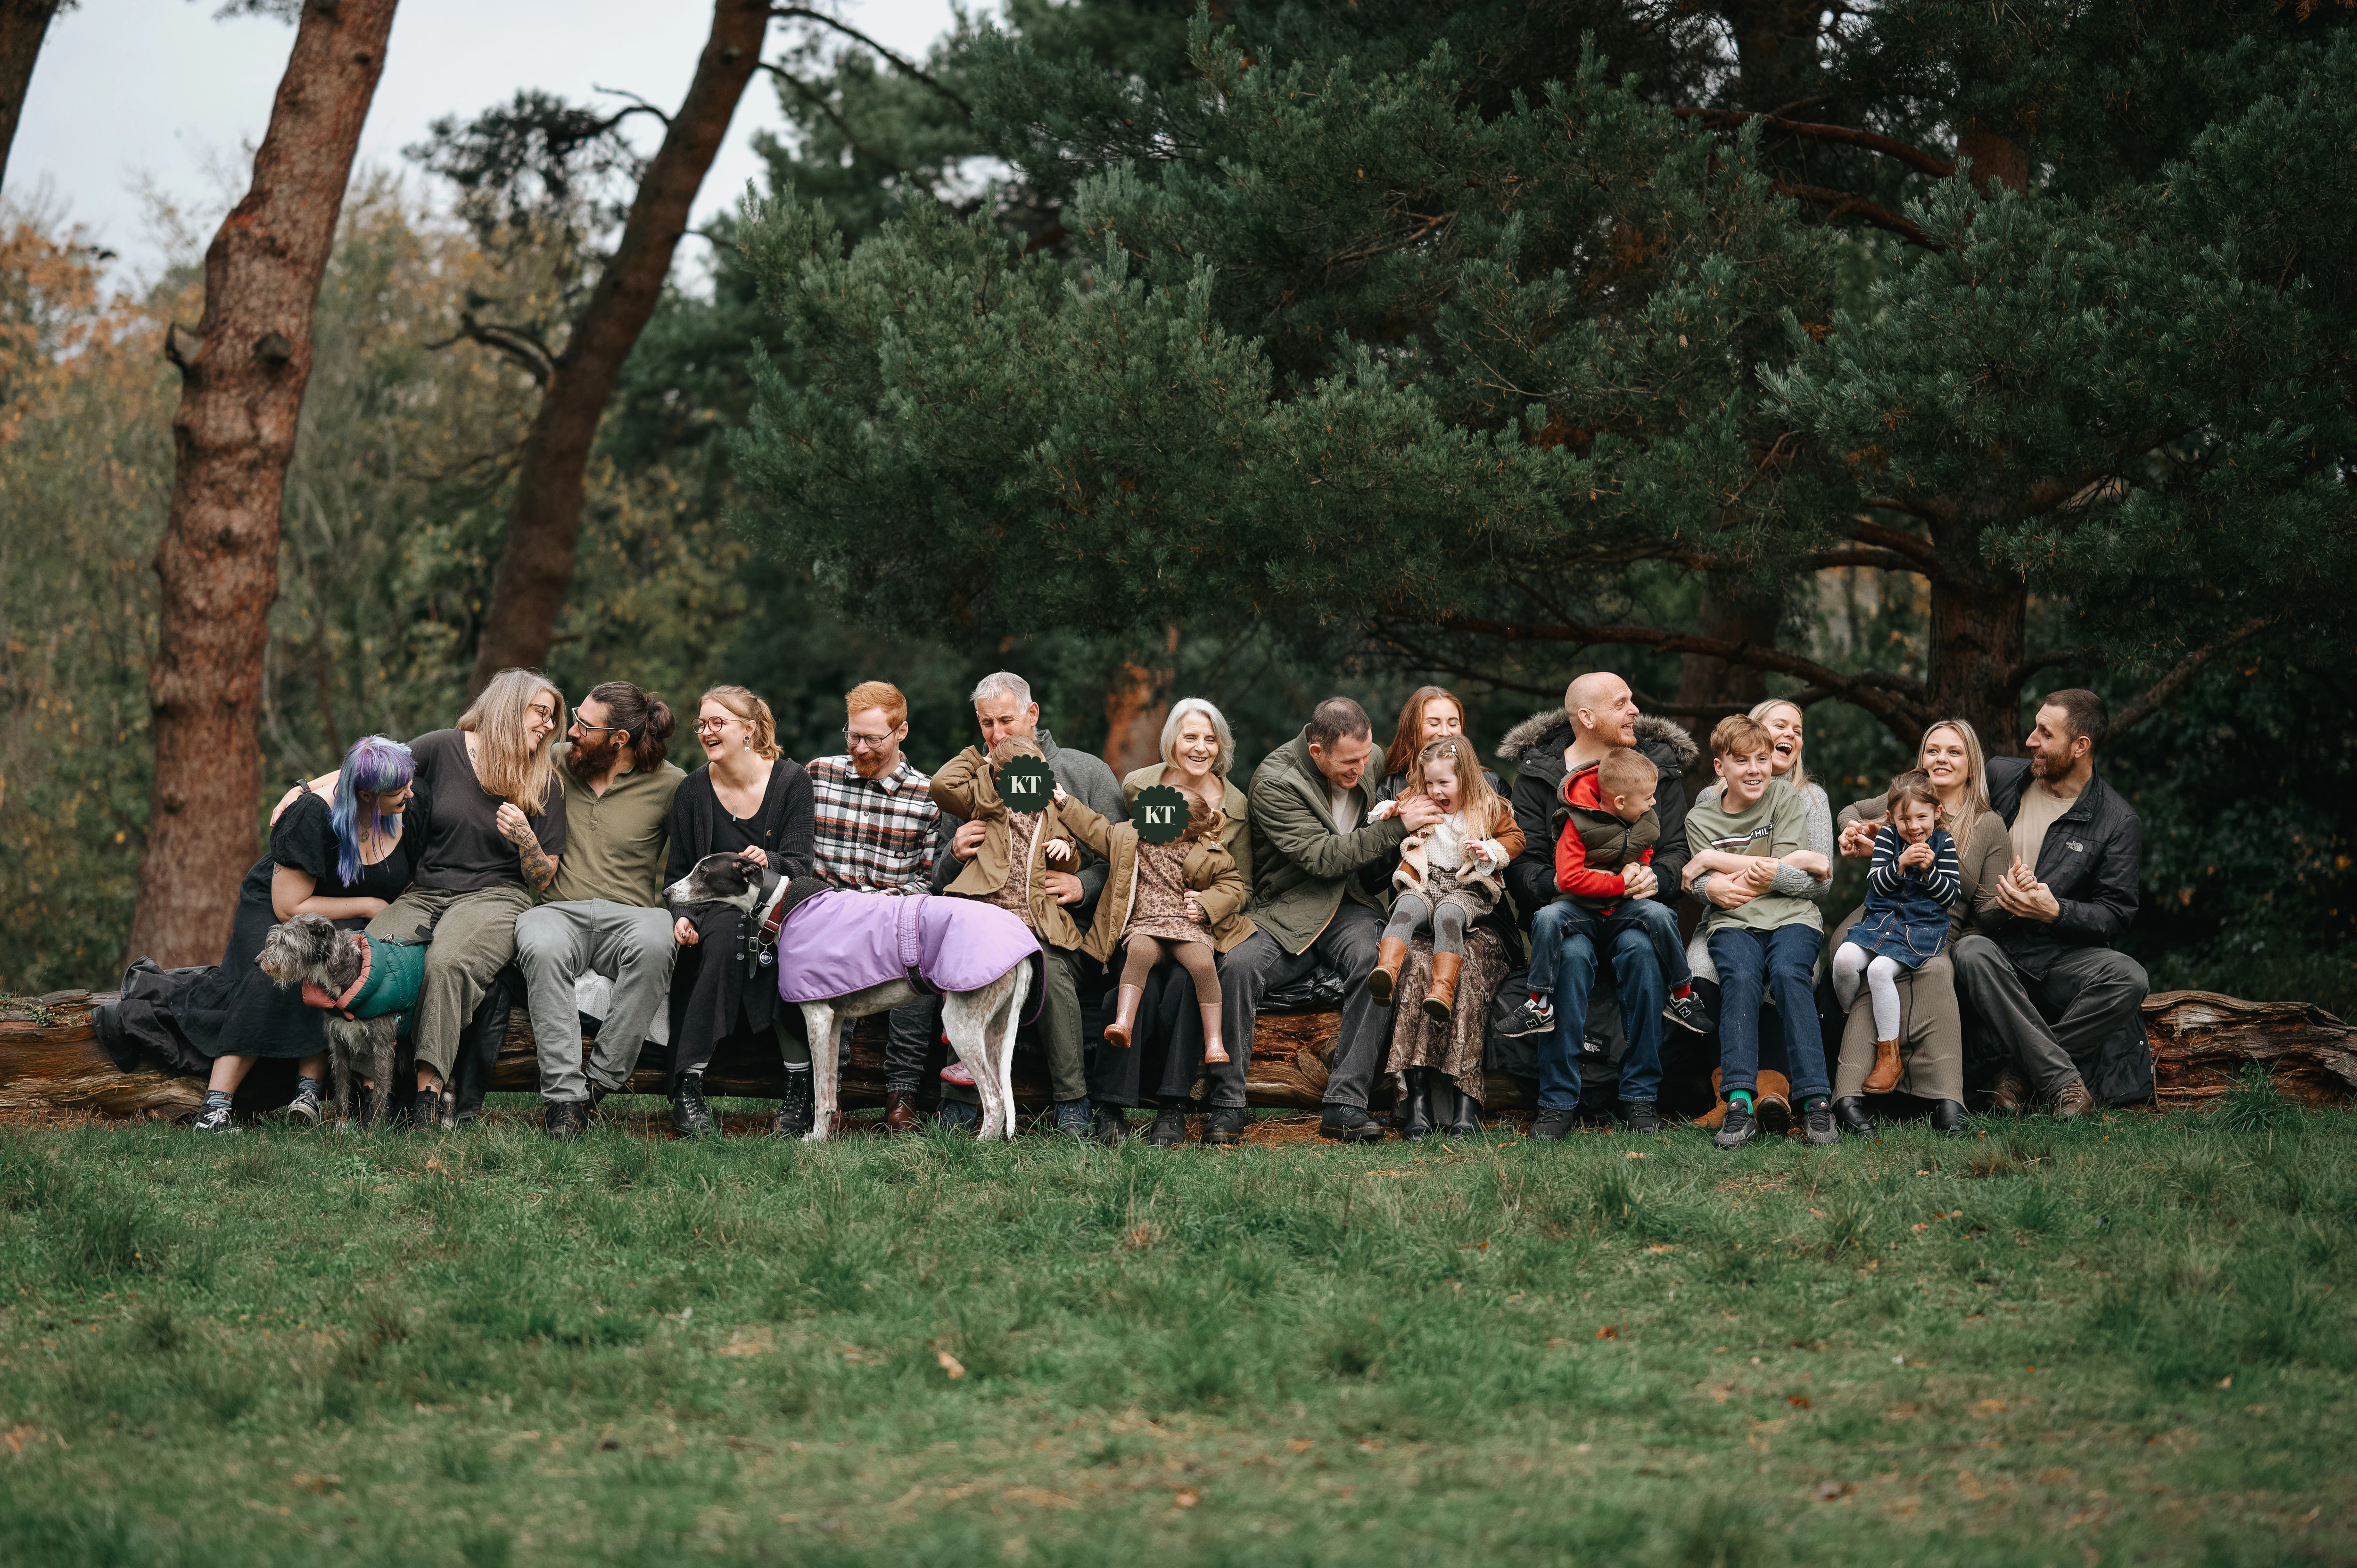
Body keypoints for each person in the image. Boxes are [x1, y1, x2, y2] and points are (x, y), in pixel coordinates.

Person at [1214, 697, 1442, 1145]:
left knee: (1379, 962)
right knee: (1238, 967)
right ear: (1316, 751)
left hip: (1350, 905)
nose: (1362, 769)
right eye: (1349, 762)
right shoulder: (1275, 781)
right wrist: (1398, 828)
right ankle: (1227, 1103)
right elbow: (1321, 857)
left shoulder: (1369, 757)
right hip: (1287, 907)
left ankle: (1346, 1103)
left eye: (1365, 757)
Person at [364, 669, 568, 1130]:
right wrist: (305, 792)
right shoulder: (444, 747)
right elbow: (371, 769)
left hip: (497, 897)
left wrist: (525, 840)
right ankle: (371, 1092)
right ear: (508, 706)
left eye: (552, 718)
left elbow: (543, 877)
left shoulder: (545, 782)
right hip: (427, 891)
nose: (547, 725)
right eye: (540, 712)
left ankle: (427, 1100)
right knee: (373, 952)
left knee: (447, 962)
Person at [180, 737, 418, 1131]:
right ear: (366, 795)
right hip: (282, 903)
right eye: (400, 790)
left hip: (341, 906)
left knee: (337, 967)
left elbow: (358, 766)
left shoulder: (395, 783)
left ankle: (308, 1093)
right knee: (278, 971)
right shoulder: (313, 815)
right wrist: (367, 905)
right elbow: (289, 906)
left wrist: (304, 782)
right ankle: (215, 1107)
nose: (411, 792)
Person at [1499, 673, 1695, 1141]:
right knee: (1567, 959)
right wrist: (1569, 887)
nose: (1635, 712)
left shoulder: (1656, 767)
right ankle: (1556, 1101)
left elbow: (1674, 848)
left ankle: (1640, 1096)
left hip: (1633, 911)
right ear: (1586, 717)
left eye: (1632, 701)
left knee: (1642, 955)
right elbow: (1522, 863)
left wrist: (1659, 877)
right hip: (1567, 912)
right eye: (1621, 704)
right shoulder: (1538, 773)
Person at [931, 672, 1126, 1134]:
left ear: (1032, 715)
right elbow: (943, 879)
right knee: (969, 975)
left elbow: (1119, 858)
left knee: (1051, 976)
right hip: (988, 923)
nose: (997, 734)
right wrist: (954, 852)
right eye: (985, 724)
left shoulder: (1085, 773)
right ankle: (958, 1103)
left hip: (1056, 931)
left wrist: (1084, 884)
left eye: (1006, 721)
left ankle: (1072, 1102)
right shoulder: (981, 783)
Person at [1948, 690, 2147, 1118]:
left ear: (2081, 747)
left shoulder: (2117, 821)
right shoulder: (2002, 777)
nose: (2030, 741)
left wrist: (2055, 910)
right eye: (2035, 726)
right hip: (1994, 942)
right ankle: (2063, 1083)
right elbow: (1932, 795)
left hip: (2058, 956)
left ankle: (2019, 1073)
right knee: (1969, 951)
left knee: (2129, 978)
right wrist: (1872, 823)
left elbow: (2117, 915)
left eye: (2045, 732)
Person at [513, 681, 685, 1137]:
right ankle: (564, 1101)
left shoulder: (671, 784)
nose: (570, 731)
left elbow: (690, 860)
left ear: (620, 739)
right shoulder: (553, 764)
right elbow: (482, 756)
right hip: (557, 910)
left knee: (657, 939)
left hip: (630, 915)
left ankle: (600, 1083)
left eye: (584, 726)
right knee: (540, 942)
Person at [1830, 718, 2011, 1135]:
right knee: (1859, 965)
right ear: (1921, 759)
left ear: (1972, 763)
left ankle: (1946, 1098)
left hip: (1940, 924)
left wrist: (2011, 900)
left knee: (1934, 972)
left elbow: (1985, 909)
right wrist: (1857, 833)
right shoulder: (1905, 798)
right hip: (1884, 911)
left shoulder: (1987, 824)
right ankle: (1848, 1094)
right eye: (1933, 750)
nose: (1941, 759)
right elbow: (1851, 812)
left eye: (1954, 751)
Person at [1090, 697, 1253, 1146]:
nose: (1200, 747)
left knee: (1183, 987)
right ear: (1172, 742)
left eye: (1210, 739)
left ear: (1221, 746)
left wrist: (1208, 903)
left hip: (1194, 928)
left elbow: (1242, 884)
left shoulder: (1236, 805)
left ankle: (1172, 1108)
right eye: (1190, 737)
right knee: (1127, 989)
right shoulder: (1138, 786)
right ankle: (1110, 1106)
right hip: (1142, 918)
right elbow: (1121, 850)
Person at [666, 686, 817, 1136]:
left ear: (749, 729)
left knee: (774, 939)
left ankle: (800, 1086)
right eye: (702, 724)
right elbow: (678, 877)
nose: (707, 732)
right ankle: (687, 1085)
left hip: (779, 906)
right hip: (715, 911)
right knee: (733, 931)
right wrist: (684, 917)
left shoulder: (792, 781)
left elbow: (801, 864)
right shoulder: (692, 790)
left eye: (718, 723)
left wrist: (770, 860)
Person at [1679, 696, 1834, 1132]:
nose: (1788, 735)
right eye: (1778, 726)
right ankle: (1735, 1097)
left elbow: (1802, 875)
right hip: (1732, 920)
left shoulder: (1798, 796)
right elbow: (1702, 882)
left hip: (1790, 916)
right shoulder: (1706, 805)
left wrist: (1714, 859)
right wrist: (1710, 883)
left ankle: (1808, 1099)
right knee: (1732, 975)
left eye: (1796, 730)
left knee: (1788, 974)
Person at [1366, 735, 1523, 1137]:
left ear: (1465, 777)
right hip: (1424, 887)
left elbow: (1515, 840)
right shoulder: (1418, 799)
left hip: (1468, 900)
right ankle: (1415, 1102)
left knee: (1459, 950)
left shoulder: (1488, 805)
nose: (1436, 793)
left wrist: (1490, 851)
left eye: (1444, 785)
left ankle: (1465, 1104)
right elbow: (1393, 817)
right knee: (1414, 958)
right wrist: (1393, 814)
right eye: (1430, 784)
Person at [804, 680, 942, 1133]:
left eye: (873, 738)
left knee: (919, 977)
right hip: (827, 919)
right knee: (821, 980)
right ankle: (828, 1099)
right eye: (853, 735)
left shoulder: (927, 797)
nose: (860, 746)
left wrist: (893, 900)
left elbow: (928, 878)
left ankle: (901, 1096)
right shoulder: (818, 774)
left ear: (902, 731)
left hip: (891, 923)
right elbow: (799, 852)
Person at [1056, 784, 1252, 1067]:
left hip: (1187, 927)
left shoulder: (1210, 853)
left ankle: (1214, 1042)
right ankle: (1123, 1022)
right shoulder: (1131, 841)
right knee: (1138, 953)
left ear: (1188, 827)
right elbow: (1097, 831)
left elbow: (1232, 885)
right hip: (1145, 925)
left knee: (1203, 965)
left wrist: (1207, 904)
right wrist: (1066, 802)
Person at [1831, 771, 1962, 1094]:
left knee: (1878, 970)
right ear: (1891, 818)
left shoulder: (1943, 843)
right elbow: (1875, 886)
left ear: (1937, 813)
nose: (1915, 826)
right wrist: (1900, 864)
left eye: (1922, 817)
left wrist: (1929, 871)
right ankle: (1851, 1015)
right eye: (1905, 819)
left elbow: (1950, 897)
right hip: (1881, 919)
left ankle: (1889, 1056)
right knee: (1844, 960)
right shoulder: (1889, 840)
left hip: (1921, 927)